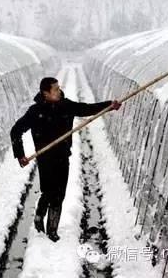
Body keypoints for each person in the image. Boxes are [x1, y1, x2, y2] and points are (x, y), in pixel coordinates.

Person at [10, 77, 121, 242]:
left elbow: (86, 109)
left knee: (59, 193)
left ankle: (52, 230)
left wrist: (109, 105)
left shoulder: (65, 105)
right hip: (45, 158)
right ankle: (40, 215)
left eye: (58, 87)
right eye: (55, 89)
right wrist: (20, 155)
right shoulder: (35, 111)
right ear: (45, 93)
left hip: (62, 156)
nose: (59, 91)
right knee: (48, 191)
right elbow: (15, 131)